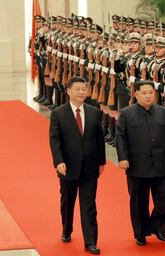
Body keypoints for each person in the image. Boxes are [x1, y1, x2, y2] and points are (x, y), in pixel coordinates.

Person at [116, 80, 165, 246]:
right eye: (144, 93)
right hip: (137, 165)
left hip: (161, 163)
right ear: (136, 95)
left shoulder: (163, 112)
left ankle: (158, 226)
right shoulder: (126, 113)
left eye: (151, 92)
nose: (148, 96)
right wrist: (122, 157)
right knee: (138, 202)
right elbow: (120, 137)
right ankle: (141, 233)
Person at [49, 76, 106, 255]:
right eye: (78, 89)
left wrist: (101, 161)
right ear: (69, 91)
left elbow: (99, 139)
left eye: (84, 89)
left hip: (90, 167)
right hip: (67, 167)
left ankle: (91, 242)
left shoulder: (93, 111)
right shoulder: (58, 113)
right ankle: (67, 229)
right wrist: (58, 161)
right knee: (67, 201)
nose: (81, 92)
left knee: (89, 205)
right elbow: (55, 140)